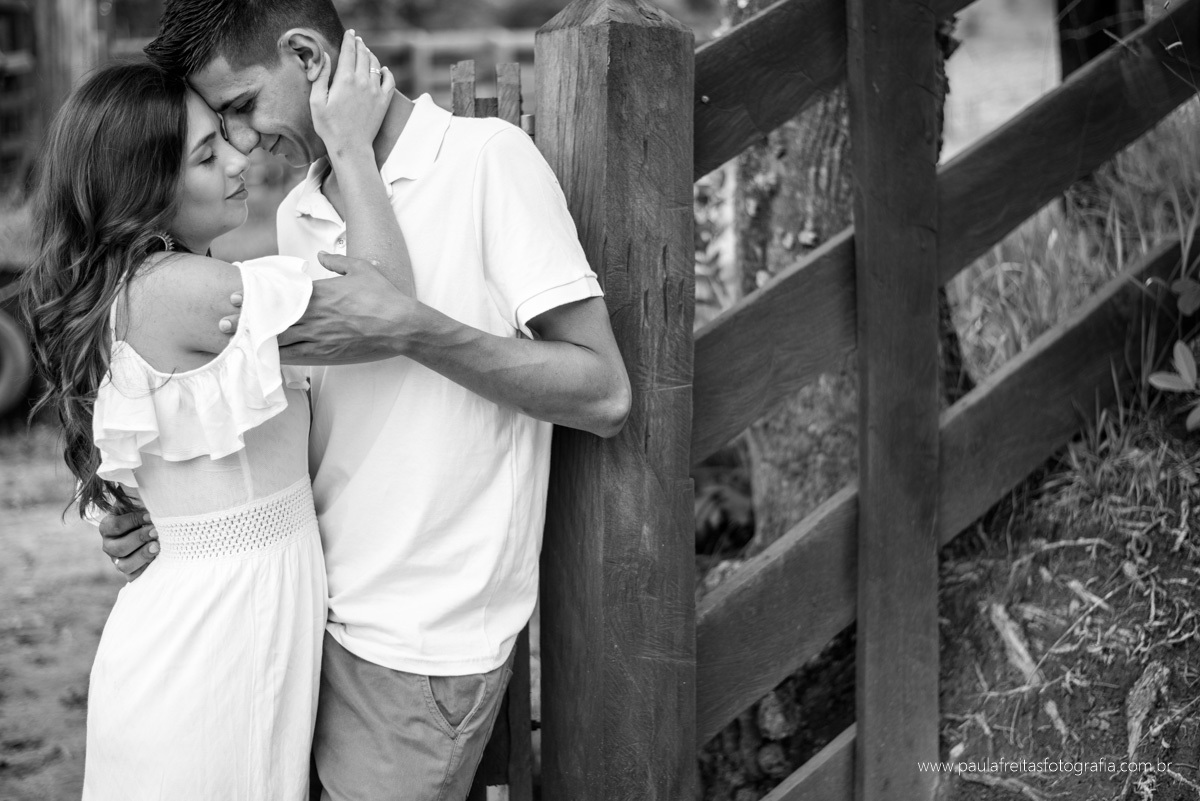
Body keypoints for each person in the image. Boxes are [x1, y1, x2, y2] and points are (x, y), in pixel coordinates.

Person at [97, 1, 633, 799]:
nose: (243, 144)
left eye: (241, 109)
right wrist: (162, 509)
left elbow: (604, 391)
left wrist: (423, 332)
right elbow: (296, 419)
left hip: (416, 649)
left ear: (308, 58)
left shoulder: (486, 162)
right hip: (304, 624)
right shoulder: (299, 214)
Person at [23, 35, 409, 799]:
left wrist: (154, 521)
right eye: (207, 156)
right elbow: (386, 304)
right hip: (209, 654)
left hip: (220, 622)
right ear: (144, 190)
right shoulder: (187, 290)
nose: (241, 161)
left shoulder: (143, 287)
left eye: (225, 137)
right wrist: (352, 150)